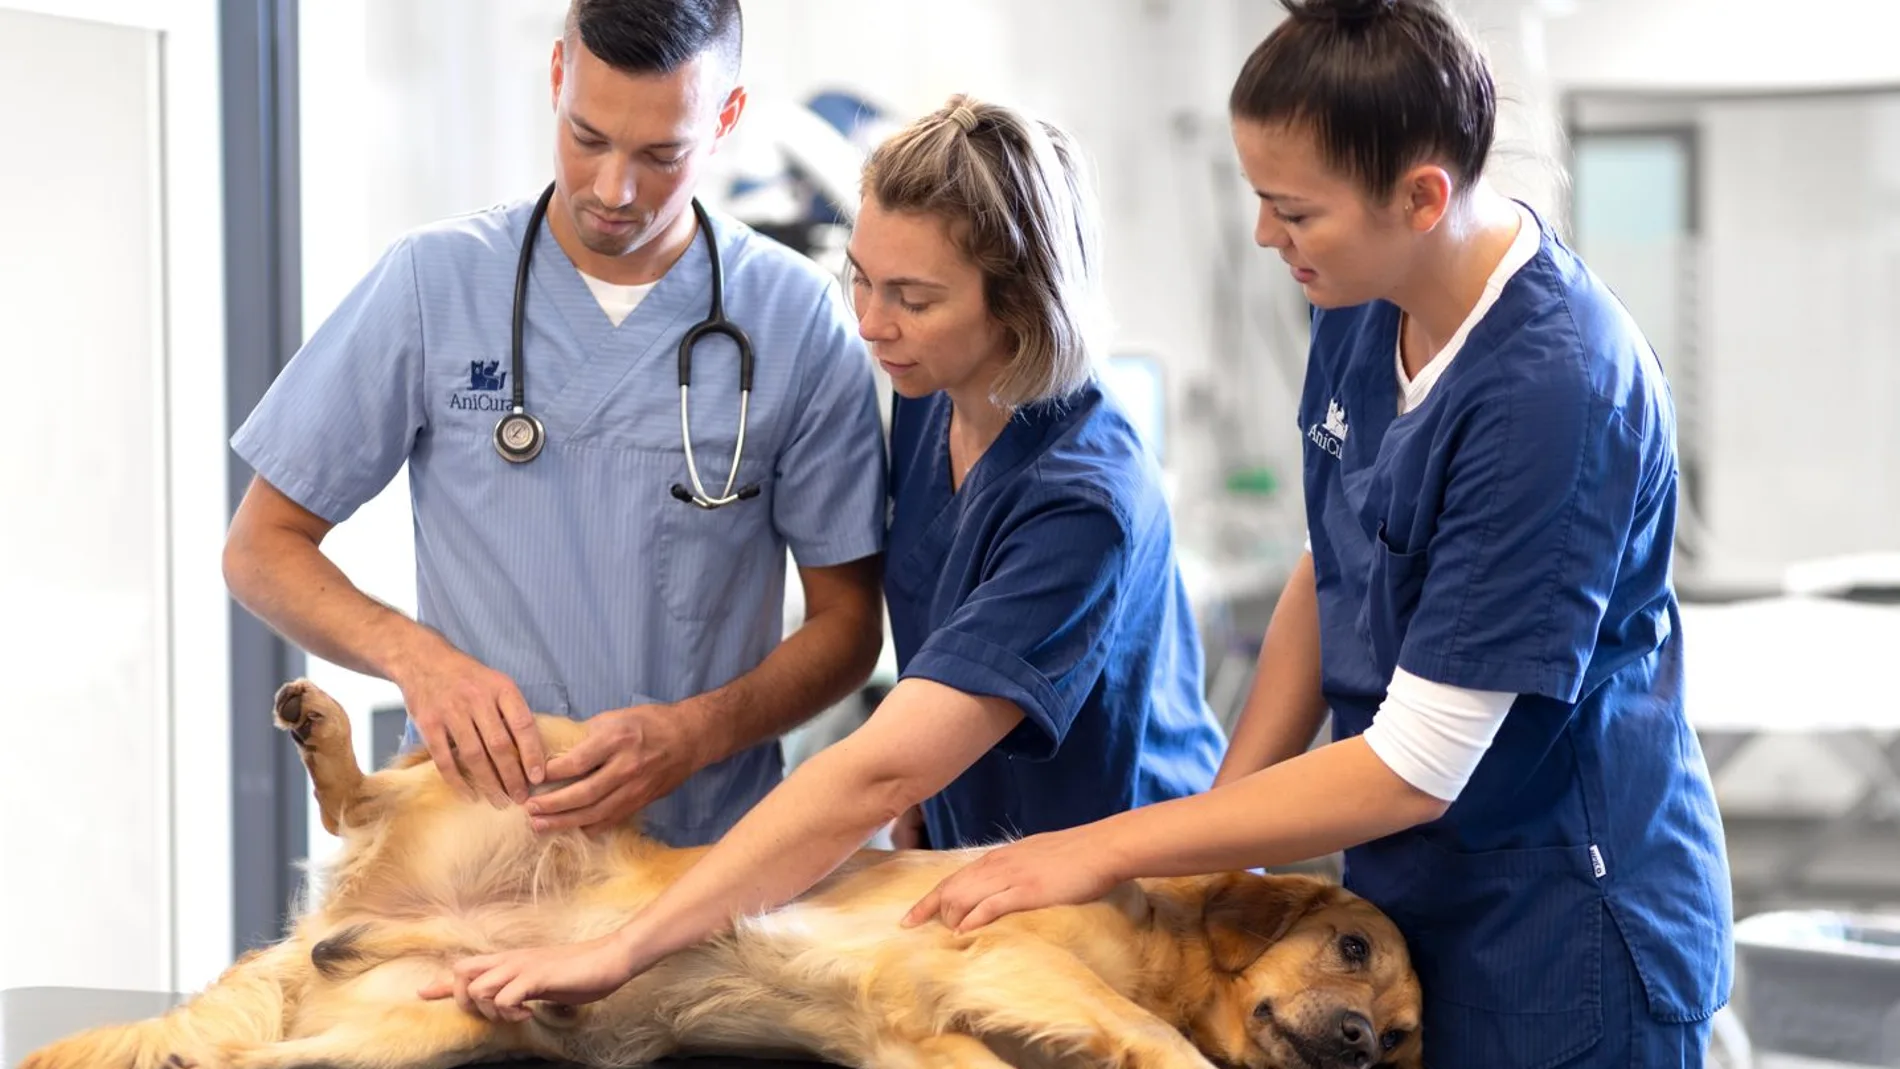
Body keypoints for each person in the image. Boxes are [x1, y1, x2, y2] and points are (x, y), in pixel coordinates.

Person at [901, 3, 1735, 1067]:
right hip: (1404, 893)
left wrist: (1099, 849)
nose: (1265, 236)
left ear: (1421, 196)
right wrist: (1215, 849)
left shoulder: (1554, 392)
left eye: (1292, 210)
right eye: (1261, 201)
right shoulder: (1361, 291)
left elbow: (1414, 764)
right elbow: (1334, 560)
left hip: (1560, 923)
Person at [418, 94, 1227, 1017]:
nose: (872, 322)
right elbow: (937, 663)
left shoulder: (1080, 501)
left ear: (1020, 305)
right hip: (985, 881)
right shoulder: (932, 389)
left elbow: (880, 766)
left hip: (1135, 917)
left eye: (913, 298)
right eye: (862, 280)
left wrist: (621, 950)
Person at [222, 0, 887, 848]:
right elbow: (260, 546)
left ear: (725, 120)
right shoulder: (435, 284)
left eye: (661, 155)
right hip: (465, 855)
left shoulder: (796, 320)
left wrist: (697, 734)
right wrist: (416, 658)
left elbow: (848, 625)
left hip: (698, 861)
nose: (614, 190)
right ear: (555, 77)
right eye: (588, 137)